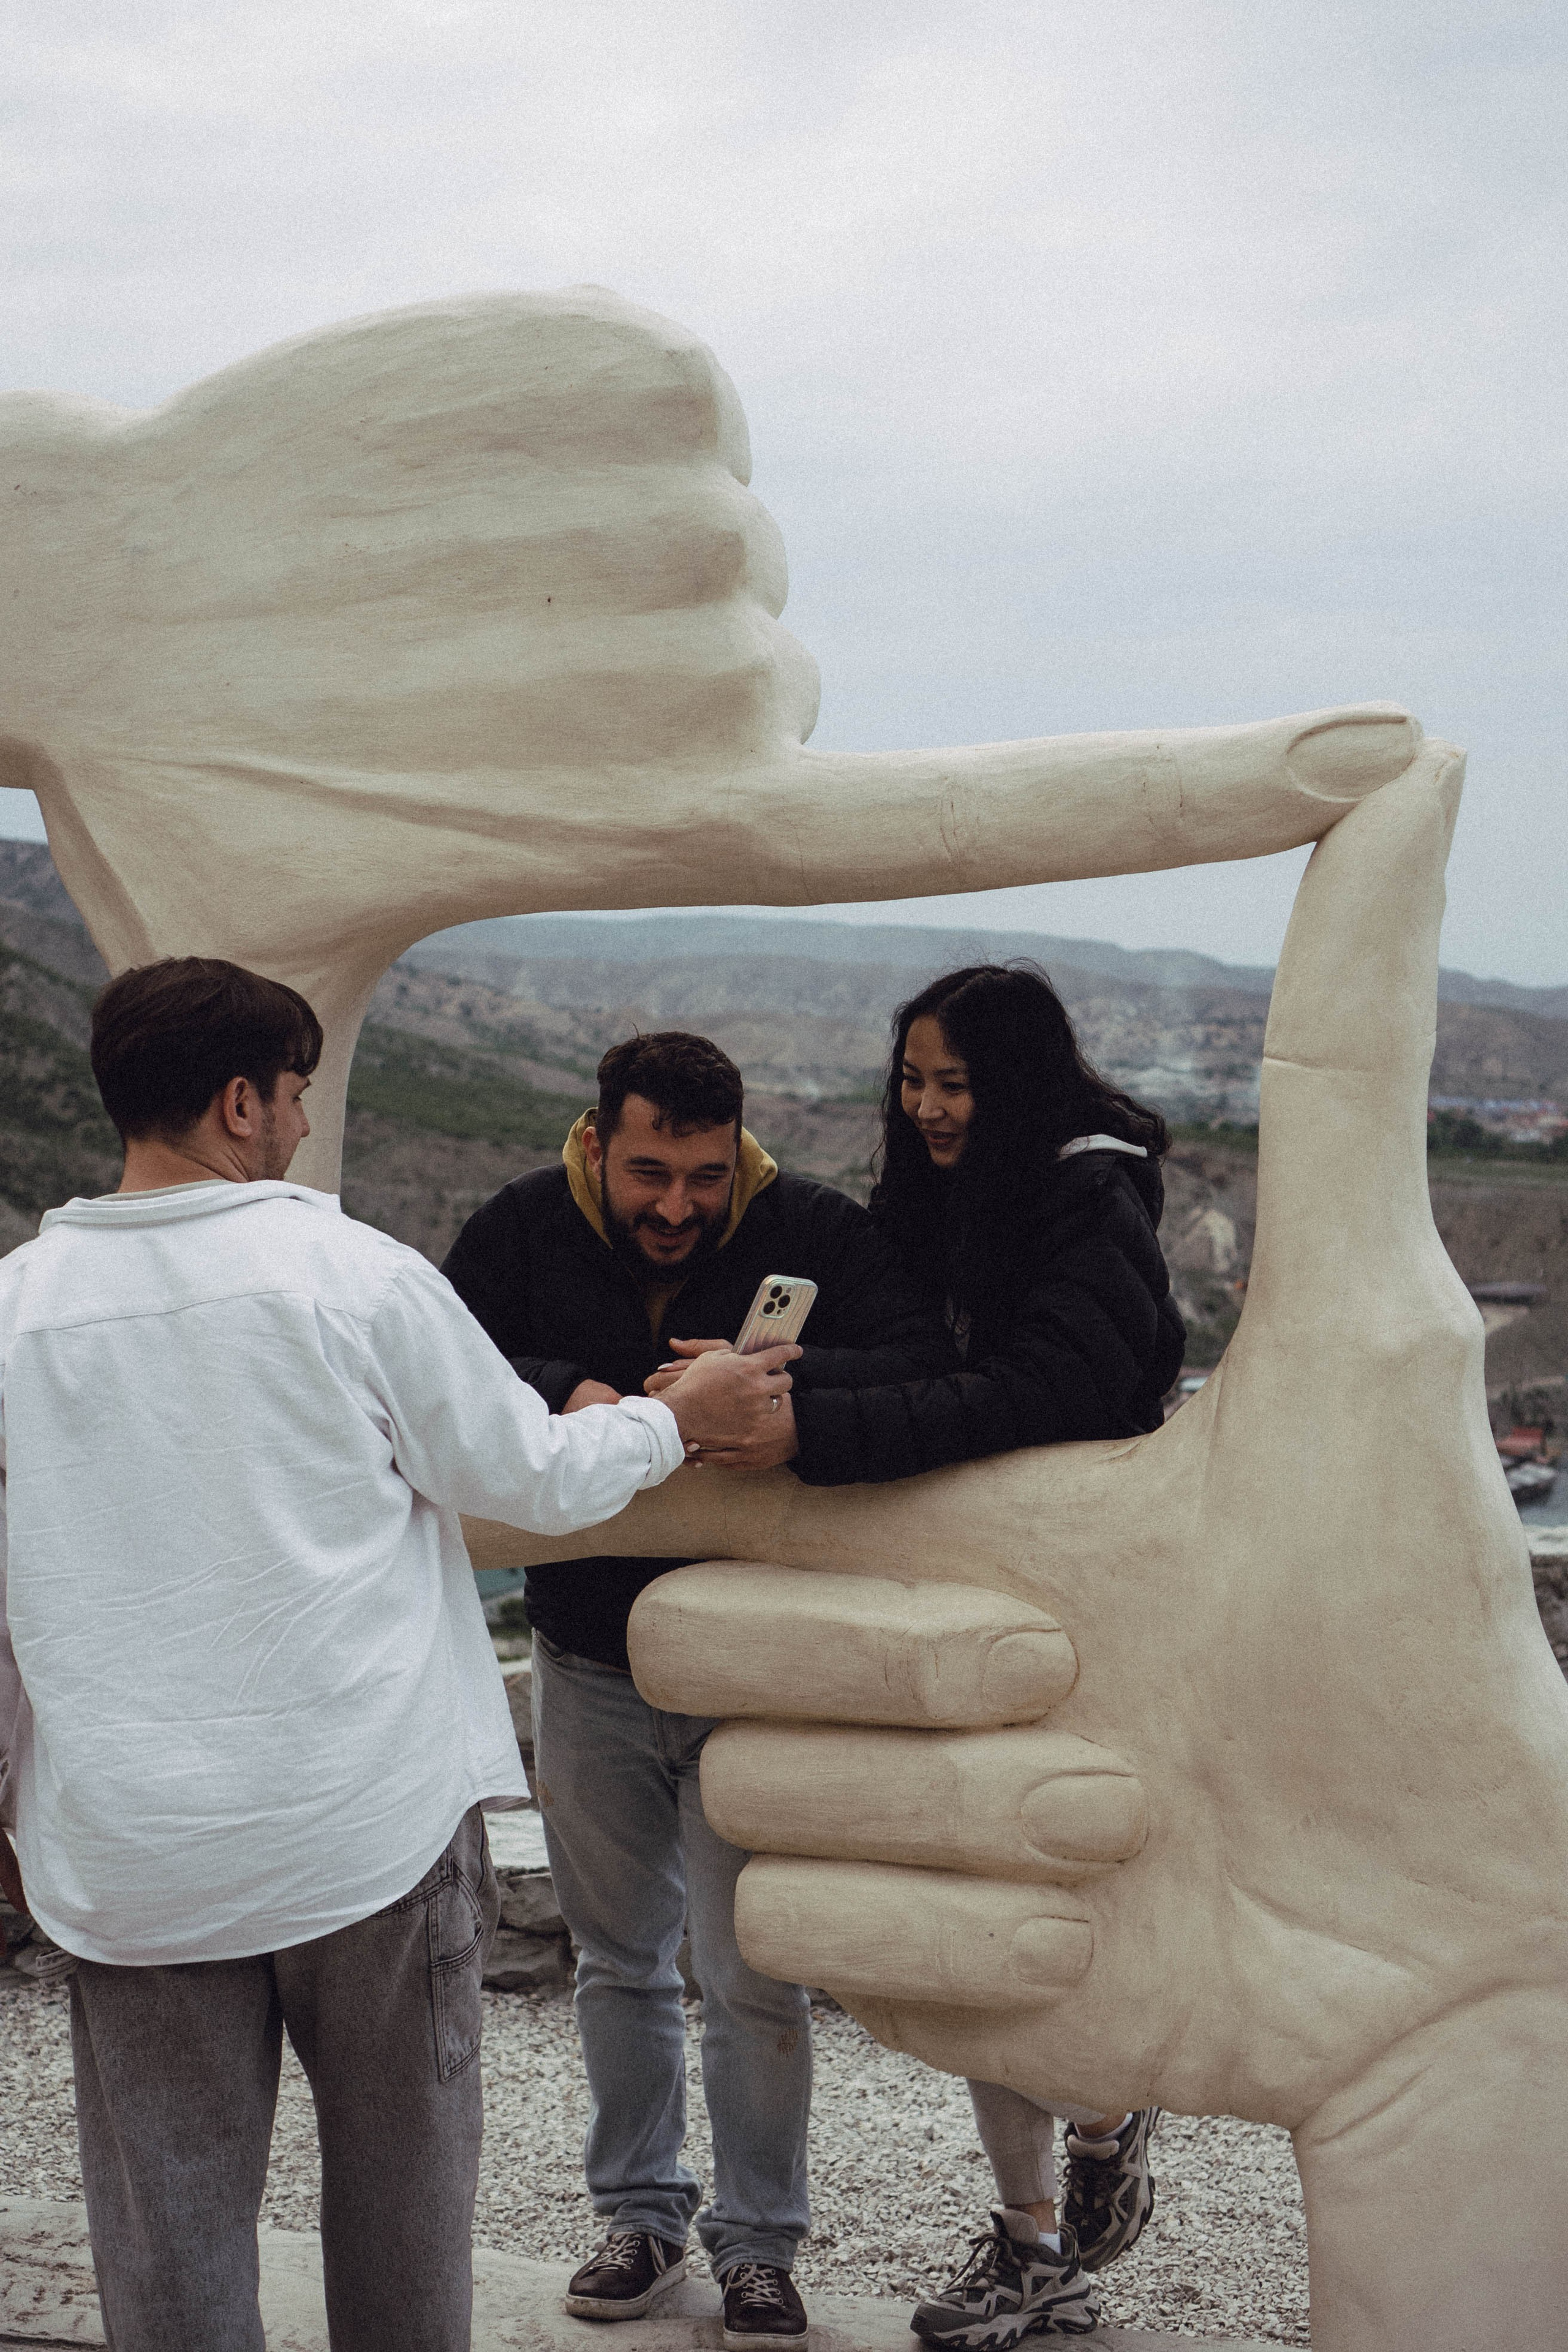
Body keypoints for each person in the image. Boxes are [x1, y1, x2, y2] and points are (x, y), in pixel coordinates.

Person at [0, 960, 790, 2352]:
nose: (304, 1122)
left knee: (169, 2247)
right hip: (363, 1831)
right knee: (402, 2219)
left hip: (132, 1852)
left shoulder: (16, 1309)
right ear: (240, 1102)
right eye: (296, 1092)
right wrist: (685, 1416)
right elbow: (531, 1474)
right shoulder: (351, 1275)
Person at [440, 1030, 956, 2350]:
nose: (677, 1205)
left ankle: (759, 2247)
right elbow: (440, 1368)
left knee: (753, 1974)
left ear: (742, 1157)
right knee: (617, 1964)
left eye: (705, 1178)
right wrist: (575, 1391)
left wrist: (774, 1390)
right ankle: (639, 2218)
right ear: (596, 1144)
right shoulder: (516, 1228)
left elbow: (922, 1360)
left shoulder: (816, 1230)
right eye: (650, 1174)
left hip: (758, 1671)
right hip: (584, 1656)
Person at [774, 964, 1184, 2348]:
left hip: (1075, 1609)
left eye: (955, 1083)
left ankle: (1103, 2110)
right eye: (913, 1080)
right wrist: (784, 1379)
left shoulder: (1087, 1196)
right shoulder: (944, 1195)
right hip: (955, 1595)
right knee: (969, 1926)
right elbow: (918, 1360)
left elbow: (1050, 1391)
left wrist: (814, 1429)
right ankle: (1032, 2242)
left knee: (1057, 1897)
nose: (929, 1108)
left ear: (1018, 1082)